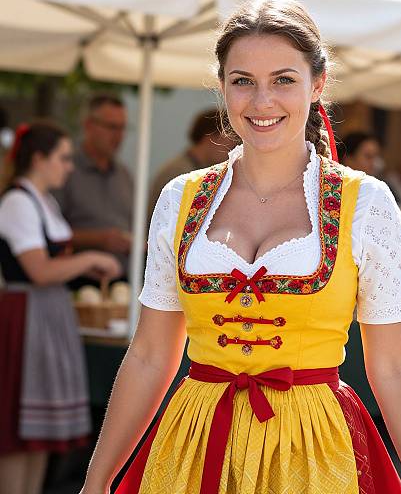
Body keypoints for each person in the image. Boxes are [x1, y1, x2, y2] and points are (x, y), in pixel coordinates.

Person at [80, 0, 401, 494]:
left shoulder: (365, 204)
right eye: (242, 80)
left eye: (284, 80)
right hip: (194, 447)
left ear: (317, 85)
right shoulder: (180, 199)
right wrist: (96, 481)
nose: (262, 101)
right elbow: (148, 355)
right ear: (223, 86)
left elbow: (396, 365)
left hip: (314, 453)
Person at [0, 122, 121, 494]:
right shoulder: (18, 202)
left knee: (38, 438)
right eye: (63, 158)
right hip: (25, 316)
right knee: (20, 431)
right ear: (38, 159)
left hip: (46, 314)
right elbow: (38, 270)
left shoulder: (43, 200)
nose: (69, 166)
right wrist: (89, 259)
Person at [55, 94, 133, 282]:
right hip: (77, 280)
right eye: (112, 127)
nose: (119, 135)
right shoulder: (64, 170)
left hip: (121, 280)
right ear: (89, 125)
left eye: (123, 128)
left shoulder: (125, 174)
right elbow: (48, 232)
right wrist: (99, 239)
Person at [148, 108, 233, 215]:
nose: (232, 152)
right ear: (210, 138)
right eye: (230, 145)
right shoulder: (178, 172)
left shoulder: (185, 168)